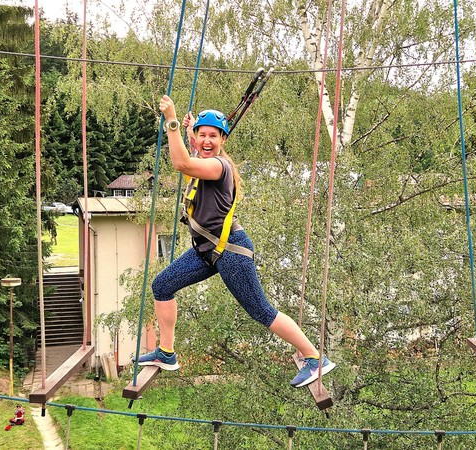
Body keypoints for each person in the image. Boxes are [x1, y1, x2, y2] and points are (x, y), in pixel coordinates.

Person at [137, 95, 336, 388]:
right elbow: (191, 156)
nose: (207, 141)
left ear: (223, 141)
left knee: (260, 310)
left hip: (230, 251)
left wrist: (172, 121)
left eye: (213, 136)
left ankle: (314, 357)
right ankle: (166, 353)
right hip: (206, 251)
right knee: (162, 285)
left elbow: (181, 163)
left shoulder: (219, 167)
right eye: (202, 135)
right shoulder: (205, 159)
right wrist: (190, 133)